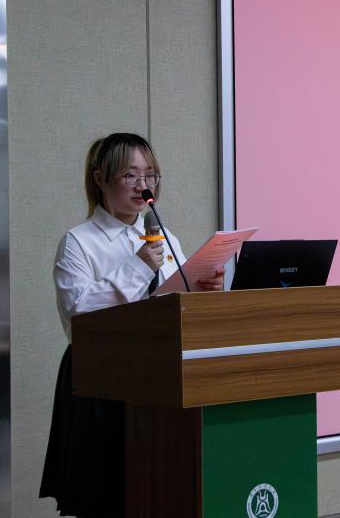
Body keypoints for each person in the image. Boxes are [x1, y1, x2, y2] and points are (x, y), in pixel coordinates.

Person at [39, 132, 222, 517]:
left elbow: (171, 303)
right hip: (100, 382)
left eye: (150, 175)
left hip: (160, 376)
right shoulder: (79, 242)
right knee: (104, 498)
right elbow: (79, 315)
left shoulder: (164, 236)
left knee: (160, 489)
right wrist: (137, 267)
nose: (144, 185)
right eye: (131, 175)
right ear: (100, 178)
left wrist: (201, 289)